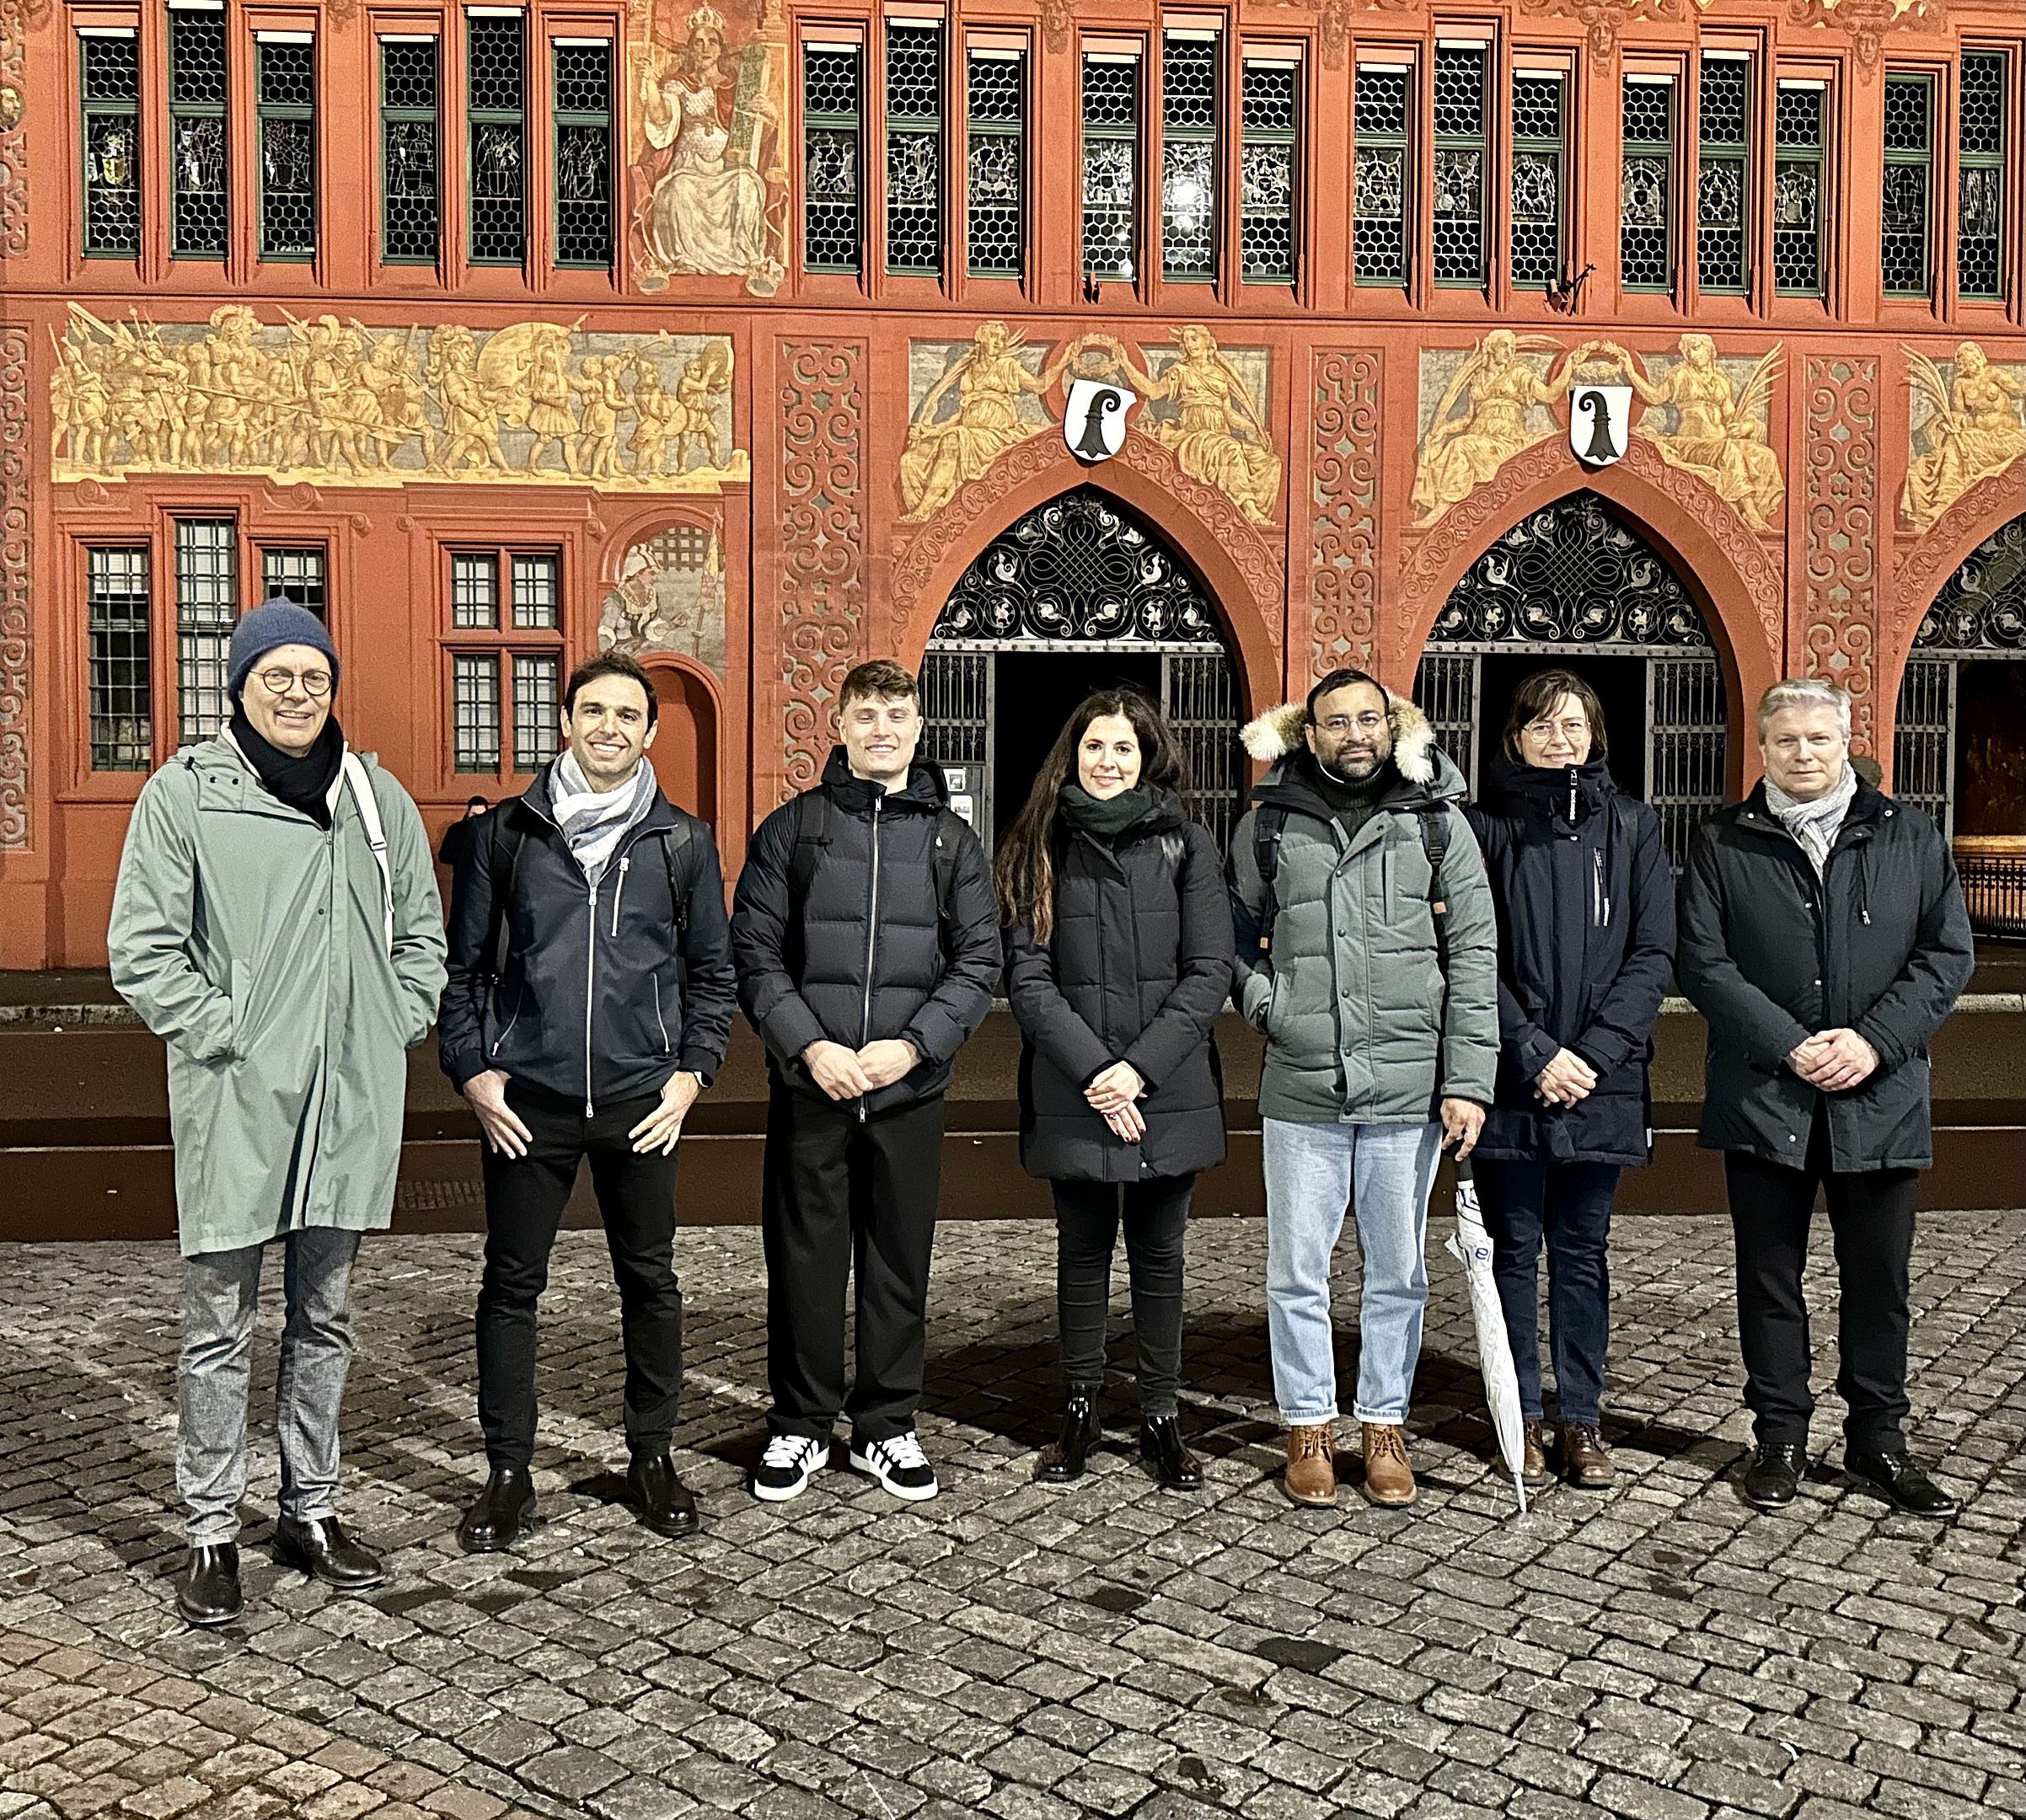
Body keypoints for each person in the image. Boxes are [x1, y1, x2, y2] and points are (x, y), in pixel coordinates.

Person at [109, 598, 448, 1627]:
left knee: (325, 1315)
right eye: (278, 676)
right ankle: (212, 1527)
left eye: (314, 678)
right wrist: (230, 1031)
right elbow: (143, 949)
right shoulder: (186, 794)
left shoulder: (375, 797)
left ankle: (310, 1509)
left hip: (348, 1092)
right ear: (241, 686)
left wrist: (395, 1018)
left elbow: (421, 932)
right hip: (238, 1095)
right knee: (219, 1321)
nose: (298, 695)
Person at [437, 651, 737, 1551]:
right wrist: (472, 1070)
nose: (610, 728)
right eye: (593, 711)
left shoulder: (682, 842)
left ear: (652, 732)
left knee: (649, 1281)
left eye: (627, 715)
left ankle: (652, 1456)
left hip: (642, 1100)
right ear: (565, 722)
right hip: (527, 1099)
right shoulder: (507, 834)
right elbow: (464, 970)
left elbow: (712, 974)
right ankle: (508, 1472)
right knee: (510, 1285)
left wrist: (692, 1074)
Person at [1678, 678, 1973, 1517]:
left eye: (1818, 738)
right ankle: (1779, 1436)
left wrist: (1872, 1041)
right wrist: (1788, 1043)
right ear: (1762, 748)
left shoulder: (1908, 834)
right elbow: (1703, 963)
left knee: (1879, 1279)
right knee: (1769, 1275)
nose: (1802, 753)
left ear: (1846, 742)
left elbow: (1944, 955)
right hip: (1765, 1094)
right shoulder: (1722, 841)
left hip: (1879, 1094)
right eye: (1786, 740)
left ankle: (1879, 1439)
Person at [731, 659, 1000, 1503]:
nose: (882, 729)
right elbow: (756, 955)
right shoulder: (794, 830)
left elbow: (978, 961)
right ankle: (801, 1423)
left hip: (906, 1090)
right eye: (867, 714)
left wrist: (913, 1048)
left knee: (897, 1263)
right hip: (812, 1085)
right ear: (840, 726)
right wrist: (811, 1048)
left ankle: (886, 1423)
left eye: (896, 715)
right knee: (804, 1264)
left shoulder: (952, 842)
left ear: (918, 729)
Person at [1228, 669, 1498, 1509]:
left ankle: (1383, 1424)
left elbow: (1475, 952)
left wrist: (1469, 1080)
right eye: (1336, 722)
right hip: (1303, 1080)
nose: (1355, 734)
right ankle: (1309, 1423)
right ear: (1308, 735)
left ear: (1393, 726)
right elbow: (1229, 934)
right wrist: (1269, 1005)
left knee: (1398, 1272)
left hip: (1409, 1083)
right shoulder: (1269, 824)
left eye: (1369, 719)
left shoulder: (1437, 822)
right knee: (1296, 1271)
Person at [997, 689, 1234, 1491]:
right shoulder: (1038, 843)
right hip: (1077, 1085)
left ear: (1147, 757)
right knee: (1083, 1251)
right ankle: (1080, 1410)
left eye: (1124, 748)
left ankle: (1162, 1415)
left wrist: (1138, 1070)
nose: (1108, 761)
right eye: (1095, 746)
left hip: (1166, 1083)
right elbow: (1028, 978)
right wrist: (1097, 1072)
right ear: (1072, 755)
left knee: (1161, 1256)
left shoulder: (1187, 843)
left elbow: (1209, 971)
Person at [1465, 671, 1674, 1491]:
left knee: (1583, 1252)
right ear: (1515, 739)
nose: (1560, 740)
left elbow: (1653, 951)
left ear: (1596, 736)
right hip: (1512, 1075)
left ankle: (1580, 1416)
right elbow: (1471, 956)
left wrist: (1595, 1052)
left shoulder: (1633, 826)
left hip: (1601, 1077)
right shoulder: (1484, 828)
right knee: (1514, 1250)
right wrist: (1532, 1051)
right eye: (1542, 727)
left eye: (1574, 726)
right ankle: (1516, 1413)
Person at [437, 795, 490, 873]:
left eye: (481, 815)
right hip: (463, 876)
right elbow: (443, 856)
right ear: (468, 812)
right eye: (474, 814)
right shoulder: (456, 830)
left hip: (485, 877)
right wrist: (464, 855)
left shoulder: (491, 832)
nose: (477, 818)